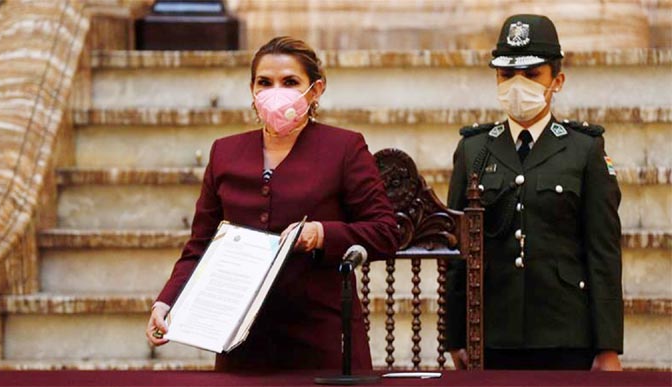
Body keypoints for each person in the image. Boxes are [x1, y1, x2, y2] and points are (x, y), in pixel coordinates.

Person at [145, 36, 399, 370]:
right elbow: (200, 245)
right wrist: (168, 301)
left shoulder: (344, 148)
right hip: (239, 340)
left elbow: (385, 232)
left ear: (316, 89)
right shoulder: (225, 152)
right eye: (265, 82)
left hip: (322, 339)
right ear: (251, 89)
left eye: (290, 82)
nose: (275, 91)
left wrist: (321, 234)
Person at [446, 14, 623, 370]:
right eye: (507, 74)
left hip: (565, 332)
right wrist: (456, 334)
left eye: (531, 75)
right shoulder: (474, 149)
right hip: (491, 332)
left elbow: (603, 252)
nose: (517, 84)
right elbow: (458, 249)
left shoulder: (584, 150)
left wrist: (607, 347)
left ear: (556, 80)